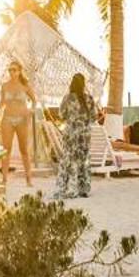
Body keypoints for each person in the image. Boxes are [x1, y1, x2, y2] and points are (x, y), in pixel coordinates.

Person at [53, 72, 97, 200]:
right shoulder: (89, 98)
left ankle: (69, 189)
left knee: (69, 159)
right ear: (83, 84)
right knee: (84, 160)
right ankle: (84, 189)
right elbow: (93, 117)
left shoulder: (68, 98)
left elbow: (61, 115)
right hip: (85, 133)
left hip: (71, 133)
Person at [0, 62, 37, 187]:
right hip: (7, 119)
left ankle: (28, 179)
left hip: (22, 119)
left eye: (14, 70)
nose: (11, 72)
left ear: (20, 71)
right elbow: (2, 102)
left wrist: (32, 110)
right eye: (9, 70)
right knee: (6, 150)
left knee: (23, 149)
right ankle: (4, 180)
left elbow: (34, 100)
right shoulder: (4, 86)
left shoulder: (25, 85)